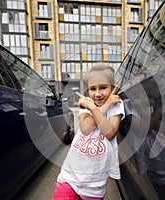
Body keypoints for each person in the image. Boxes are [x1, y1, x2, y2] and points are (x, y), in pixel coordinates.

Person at [52, 63, 124, 200]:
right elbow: (85, 128)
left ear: (113, 88)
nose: (97, 93)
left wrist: (102, 106)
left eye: (103, 87)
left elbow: (109, 133)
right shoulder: (86, 105)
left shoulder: (116, 106)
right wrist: (94, 106)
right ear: (88, 90)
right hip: (70, 176)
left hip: (94, 182)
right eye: (92, 89)